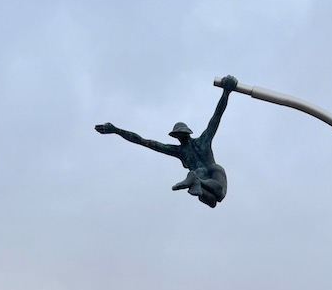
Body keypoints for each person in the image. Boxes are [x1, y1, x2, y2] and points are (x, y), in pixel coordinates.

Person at [95, 75, 238, 208]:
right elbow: (216, 117)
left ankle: (195, 180)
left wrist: (116, 130)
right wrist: (226, 92)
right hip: (212, 170)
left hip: (200, 174)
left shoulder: (180, 151)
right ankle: (196, 180)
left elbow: (144, 141)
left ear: (176, 136)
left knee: (212, 202)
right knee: (219, 195)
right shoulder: (203, 141)